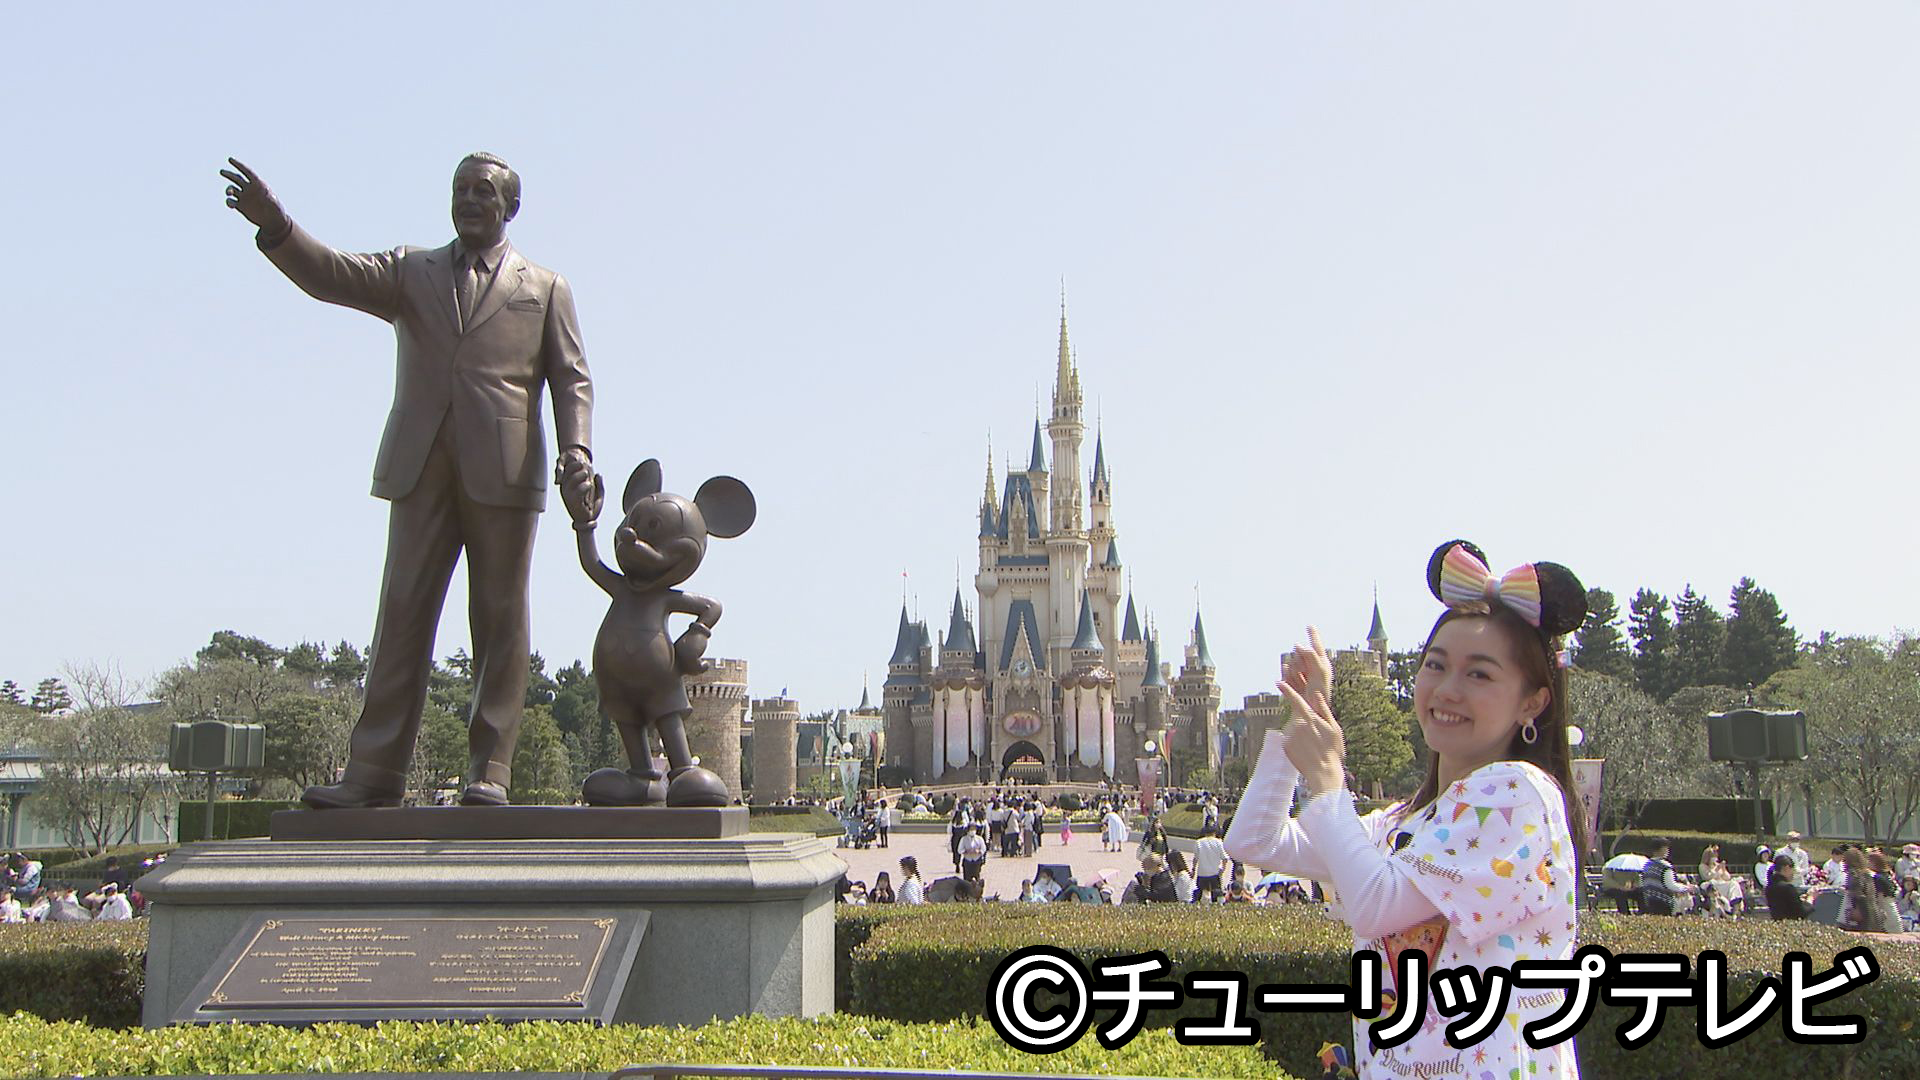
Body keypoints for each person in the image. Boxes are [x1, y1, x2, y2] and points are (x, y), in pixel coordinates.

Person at [221, 154, 595, 809]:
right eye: (460, 189)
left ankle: (491, 771)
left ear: (511, 207)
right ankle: (373, 773)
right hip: (420, 464)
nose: (469, 200)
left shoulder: (545, 286)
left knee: (500, 620)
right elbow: (330, 274)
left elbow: (572, 378)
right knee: (401, 613)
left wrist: (578, 451)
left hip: (505, 470)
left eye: (484, 191)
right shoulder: (410, 270)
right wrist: (277, 227)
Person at [1224, 541, 1591, 1079]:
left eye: (1479, 674)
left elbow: (1377, 904)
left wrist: (1326, 778)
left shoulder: (1518, 795)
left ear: (1532, 701)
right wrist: (1302, 722)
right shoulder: (1408, 823)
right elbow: (1255, 841)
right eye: (1435, 665)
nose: (1447, 689)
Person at [1638, 840, 1695, 916]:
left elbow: (1642, 882)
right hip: (1665, 901)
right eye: (1665, 848)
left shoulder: (1646, 865)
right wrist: (1686, 888)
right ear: (1660, 849)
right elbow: (1670, 885)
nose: (1667, 851)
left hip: (1649, 900)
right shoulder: (1665, 866)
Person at [1765, 856, 1810, 920]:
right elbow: (1801, 912)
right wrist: (1810, 899)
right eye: (1793, 870)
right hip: (1790, 923)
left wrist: (1799, 898)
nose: (1793, 873)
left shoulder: (1769, 887)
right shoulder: (1787, 887)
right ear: (1787, 868)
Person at [1192, 822, 1228, 903]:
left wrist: (1193, 869)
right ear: (1215, 833)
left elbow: (1195, 858)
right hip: (1214, 873)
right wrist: (1223, 869)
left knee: (1200, 894)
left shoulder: (1199, 842)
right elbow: (1225, 858)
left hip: (1202, 873)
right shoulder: (1218, 842)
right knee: (1217, 894)